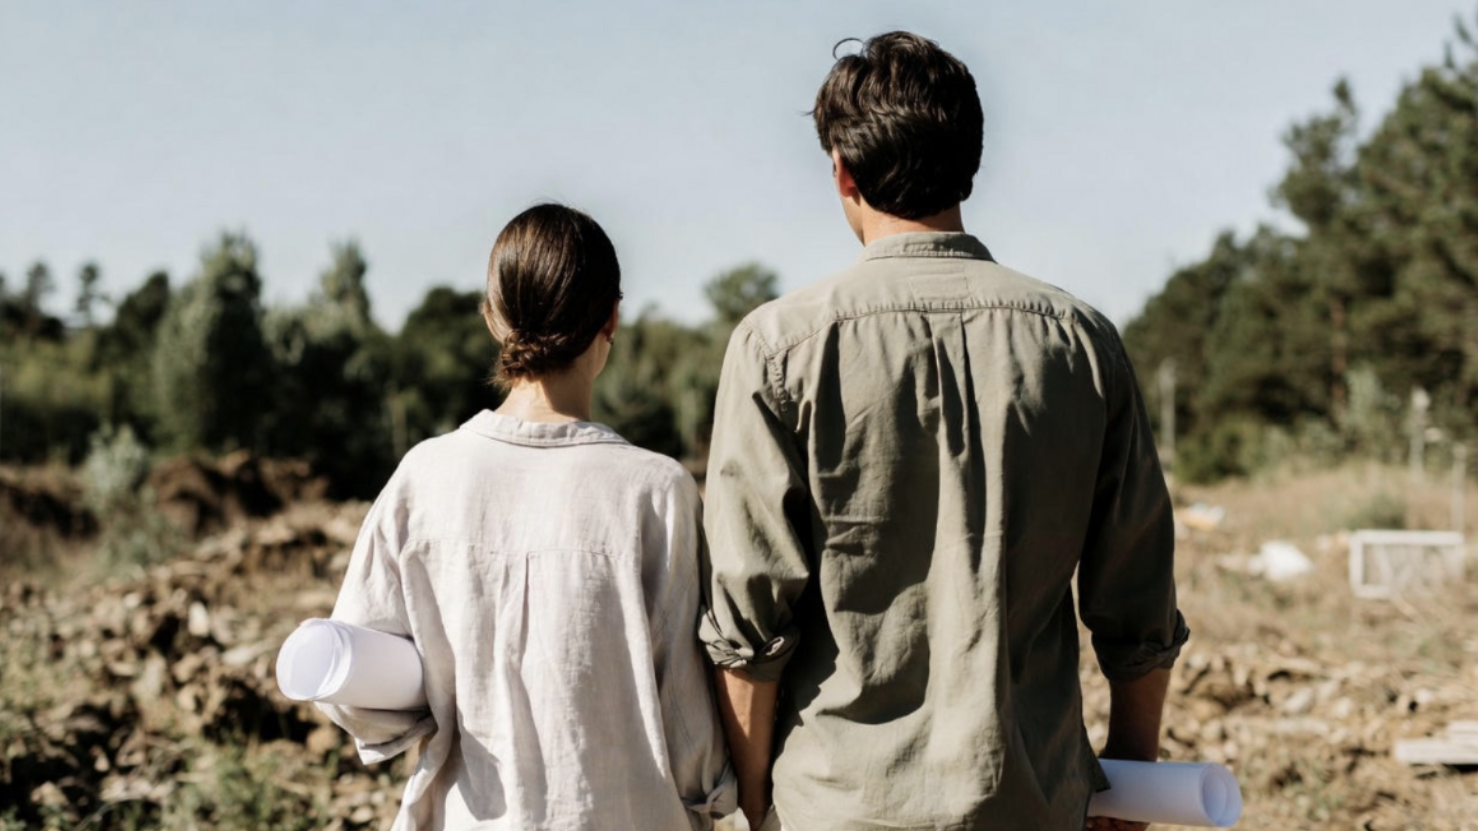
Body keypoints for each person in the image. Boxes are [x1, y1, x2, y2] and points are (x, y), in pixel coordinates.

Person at [699, 32, 1189, 831]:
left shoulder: (778, 348)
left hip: (837, 804)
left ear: (843, 172)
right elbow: (1139, 597)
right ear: (970, 163)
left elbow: (751, 616)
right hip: (1031, 799)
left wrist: (753, 800)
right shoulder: (1080, 342)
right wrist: (1133, 771)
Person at [317, 203, 734, 831]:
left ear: (492, 317)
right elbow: (689, 728)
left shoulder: (423, 478)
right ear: (612, 318)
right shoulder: (656, 492)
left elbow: (356, 698)